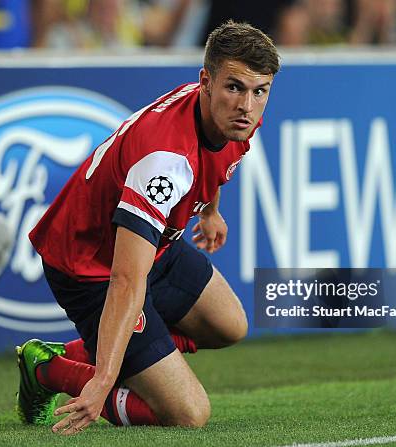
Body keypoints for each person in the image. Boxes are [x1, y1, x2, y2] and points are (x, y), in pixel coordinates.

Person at [15, 20, 280, 435]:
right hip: (91, 266)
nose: (247, 104)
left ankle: (99, 352)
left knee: (230, 325)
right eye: (234, 88)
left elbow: (219, 161)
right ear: (205, 82)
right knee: (189, 414)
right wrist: (101, 380)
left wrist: (210, 211)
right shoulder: (164, 163)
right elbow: (125, 279)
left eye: (259, 90)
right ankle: (49, 371)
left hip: (153, 245)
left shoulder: (235, 116)